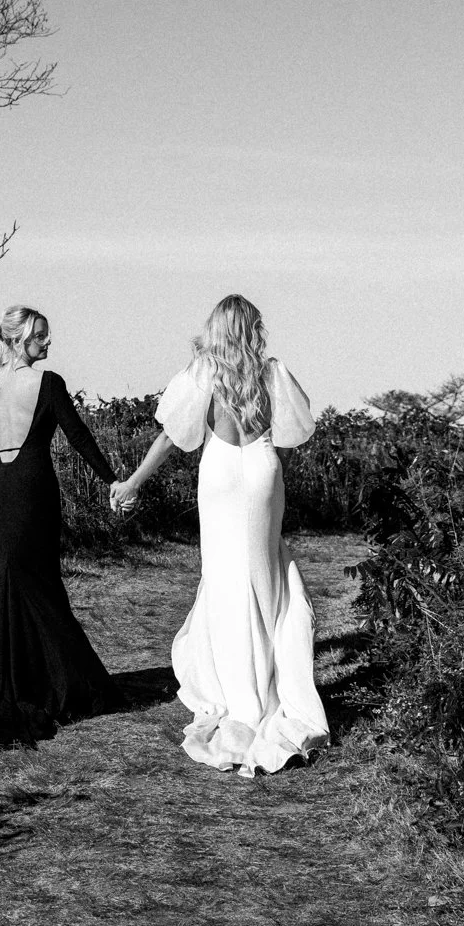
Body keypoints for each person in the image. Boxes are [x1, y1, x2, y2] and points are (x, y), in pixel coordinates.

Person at [111, 294, 328, 776]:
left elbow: (171, 436)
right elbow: (298, 426)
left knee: (227, 579)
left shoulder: (203, 372)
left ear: (215, 329)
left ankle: (239, 696)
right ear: (252, 328)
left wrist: (132, 483)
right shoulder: (272, 371)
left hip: (222, 473)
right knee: (266, 572)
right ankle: (273, 685)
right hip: (262, 468)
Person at [0, 305, 126, 754]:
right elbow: (78, 436)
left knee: (12, 575)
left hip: (1, 491)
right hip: (31, 487)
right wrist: (113, 480)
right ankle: (48, 682)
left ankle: (20, 677)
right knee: (36, 583)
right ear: (17, 339)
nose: (48, 343)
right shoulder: (48, 384)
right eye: (41, 337)